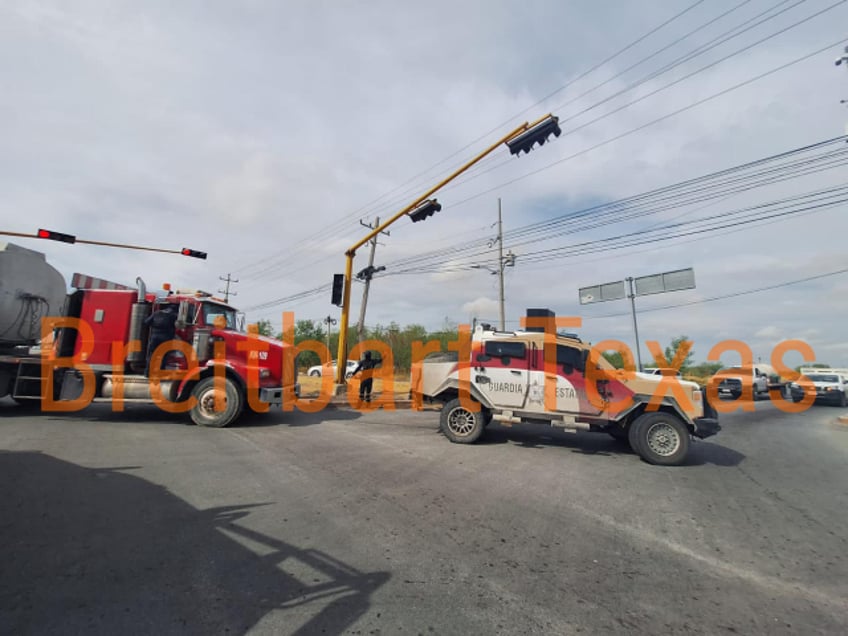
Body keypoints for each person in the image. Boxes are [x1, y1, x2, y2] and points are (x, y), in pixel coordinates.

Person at [143, 303, 178, 376]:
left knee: (152, 355)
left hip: (155, 337)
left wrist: (154, 327)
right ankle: (160, 372)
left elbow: (146, 322)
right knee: (163, 355)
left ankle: (147, 373)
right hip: (166, 337)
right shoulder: (173, 315)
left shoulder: (157, 313)